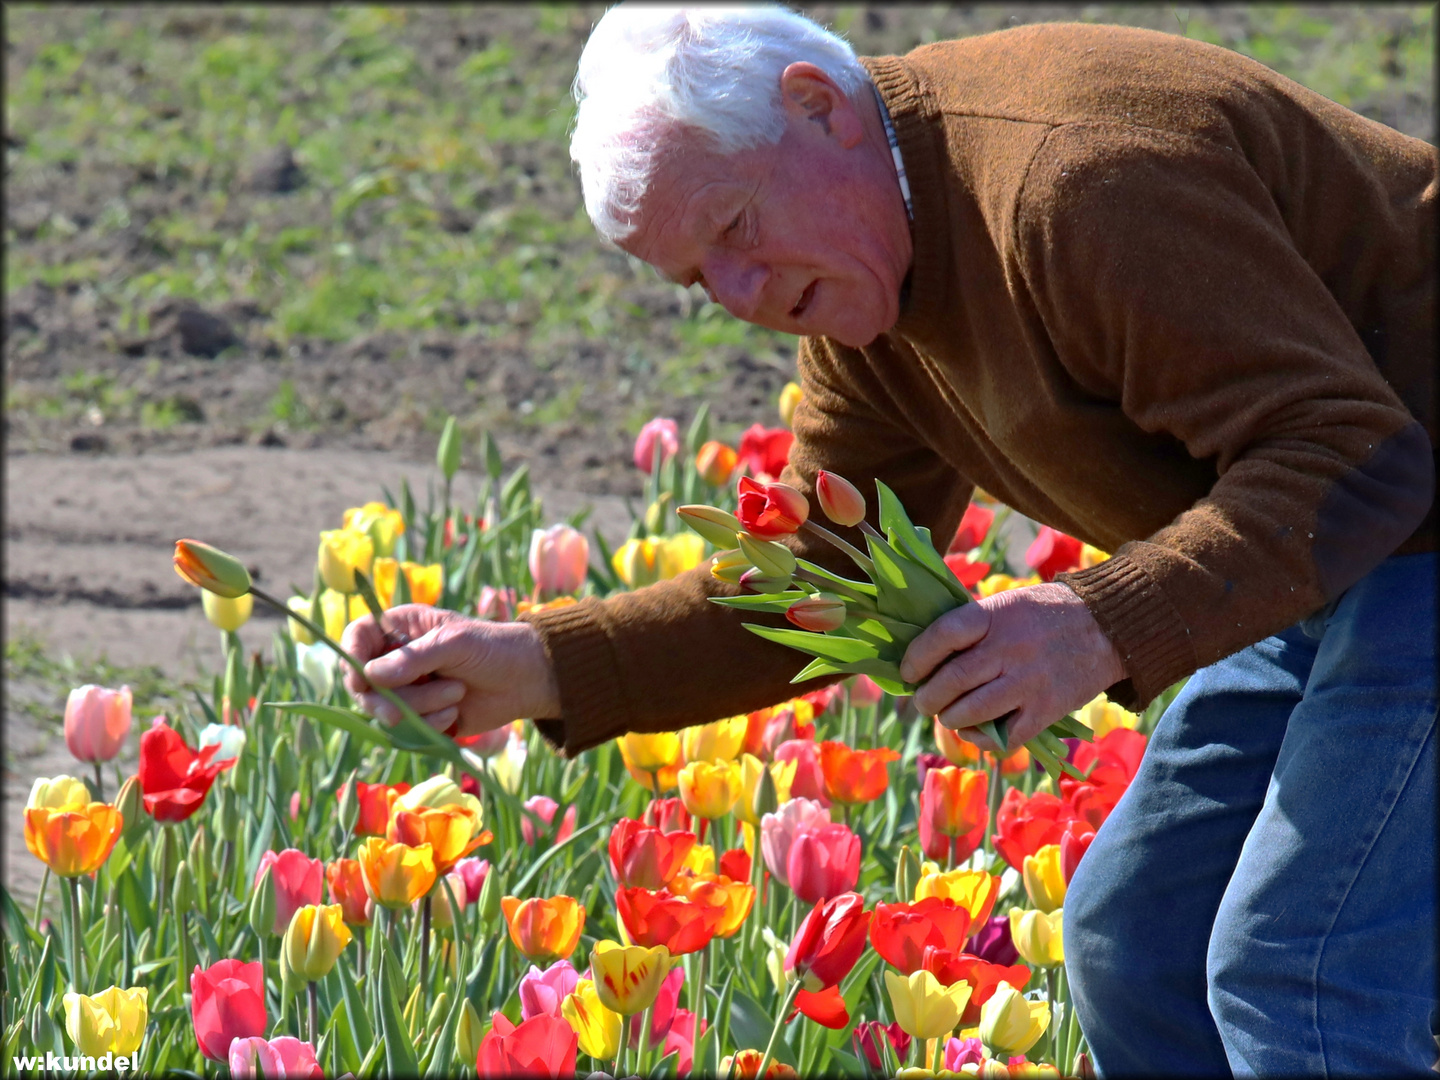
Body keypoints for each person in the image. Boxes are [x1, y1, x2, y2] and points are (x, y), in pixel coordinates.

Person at [342, 6, 1437, 1073]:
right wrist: (533, 663)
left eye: (734, 230)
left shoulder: (1077, 183)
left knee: (1301, 967)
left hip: (1404, 524)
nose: (741, 296)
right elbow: (825, 576)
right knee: (1131, 941)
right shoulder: (869, 307)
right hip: (1334, 551)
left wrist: (1100, 621)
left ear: (820, 108)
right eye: (697, 280)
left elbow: (1356, 453)